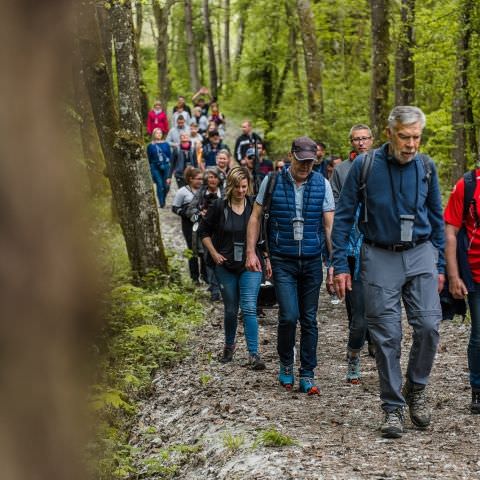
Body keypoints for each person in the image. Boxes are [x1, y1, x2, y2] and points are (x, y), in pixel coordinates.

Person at [331, 106, 445, 439]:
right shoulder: (365, 167)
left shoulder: (426, 167)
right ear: (389, 133)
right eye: (405, 137)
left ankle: (416, 387)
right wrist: (340, 264)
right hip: (379, 254)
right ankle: (392, 407)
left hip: (421, 252)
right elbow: (343, 216)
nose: (411, 144)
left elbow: (437, 217)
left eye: (416, 137)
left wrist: (439, 265)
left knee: (428, 325)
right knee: (386, 337)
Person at [246, 136, 335, 395]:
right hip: (283, 258)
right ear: (291, 156)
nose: (306, 166)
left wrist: (334, 263)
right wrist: (252, 252)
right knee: (288, 316)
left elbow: (329, 226)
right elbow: (255, 216)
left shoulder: (322, 184)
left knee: (309, 319)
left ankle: (307, 372)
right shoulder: (272, 181)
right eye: (301, 161)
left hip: (311, 260)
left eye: (310, 162)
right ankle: (286, 363)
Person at [199, 167, 266, 369]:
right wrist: (213, 253)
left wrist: (268, 259)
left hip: (250, 264)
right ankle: (229, 346)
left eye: (244, 186)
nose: (241, 190)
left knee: (248, 308)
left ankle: (254, 354)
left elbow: (263, 236)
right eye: (237, 186)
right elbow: (203, 232)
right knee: (230, 309)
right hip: (225, 265)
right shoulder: (219, 206)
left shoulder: (254, 206)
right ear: (230, 186)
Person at [328, 124, 375, 383]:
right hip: (351, 250)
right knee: (358, 314)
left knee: (379, 313)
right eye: (356, 139)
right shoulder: (342, 170)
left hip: (380, 250)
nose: (361, 143)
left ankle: (376, 347)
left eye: (365, 138)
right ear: (351, 142)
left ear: (372, 140)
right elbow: (336, 209)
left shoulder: (382, 168)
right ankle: (354, 354)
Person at [444, 170, 480, 414]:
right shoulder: (466, 185)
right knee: (479, 334)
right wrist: (454, 277)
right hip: (475, 272)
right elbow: (450, 233)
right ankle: (477, 390)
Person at [187, 168, 223, 301]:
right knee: (209, 259)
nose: (212, 180)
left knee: (222, 259)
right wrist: (199, 213)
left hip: (223, 231)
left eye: (215, 177)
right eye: (210, 177)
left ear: (219, 179)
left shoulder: (224, 193)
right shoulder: (201, 193)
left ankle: (222, 287)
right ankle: (214, 290)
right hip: (206, 231)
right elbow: (189, 209)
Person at [172, 167, 206, 283]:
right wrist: (186, 213)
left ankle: (205, 276)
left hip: (203, 223)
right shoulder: (182, 192)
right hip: (189, 225)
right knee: (193, 250)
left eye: (202, 179)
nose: (201, 181)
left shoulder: (204, 190)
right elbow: (175, 208)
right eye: (198, 179)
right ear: (190, 179)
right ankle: (194, 277)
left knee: (204, 249)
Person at [146, 128, 171, 208]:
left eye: (160, 133)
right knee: (159, 184)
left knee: (166, 185)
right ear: (154, 134)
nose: (159, 134)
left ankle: (163, 197)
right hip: (155, 167)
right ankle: (161, 203)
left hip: (166, 166)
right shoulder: (150, 146)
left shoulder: (166, 144)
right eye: (157, 133)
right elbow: (149, 158)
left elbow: (170, 156)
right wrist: (150, 168)